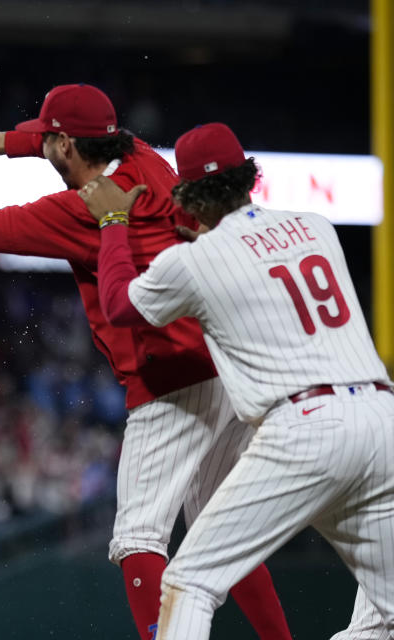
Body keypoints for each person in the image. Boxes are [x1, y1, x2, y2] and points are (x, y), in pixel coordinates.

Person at [0, 83, 292, 640]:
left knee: (137, 539)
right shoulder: (144, 159)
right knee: (222, 532)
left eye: (48, 136)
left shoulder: (83, 209)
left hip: (167, 379)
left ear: (61, 144)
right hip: (222, 365)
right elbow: (68, 138)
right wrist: (8, 142)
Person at [79, 122, 394, 640]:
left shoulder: (193, 261)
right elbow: (255, 259)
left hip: (306, 427)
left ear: (188, 196)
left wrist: (113, 220)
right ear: (249, 176)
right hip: (380, 421)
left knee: (191, 582)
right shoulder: (317, 226)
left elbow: (118, 304)